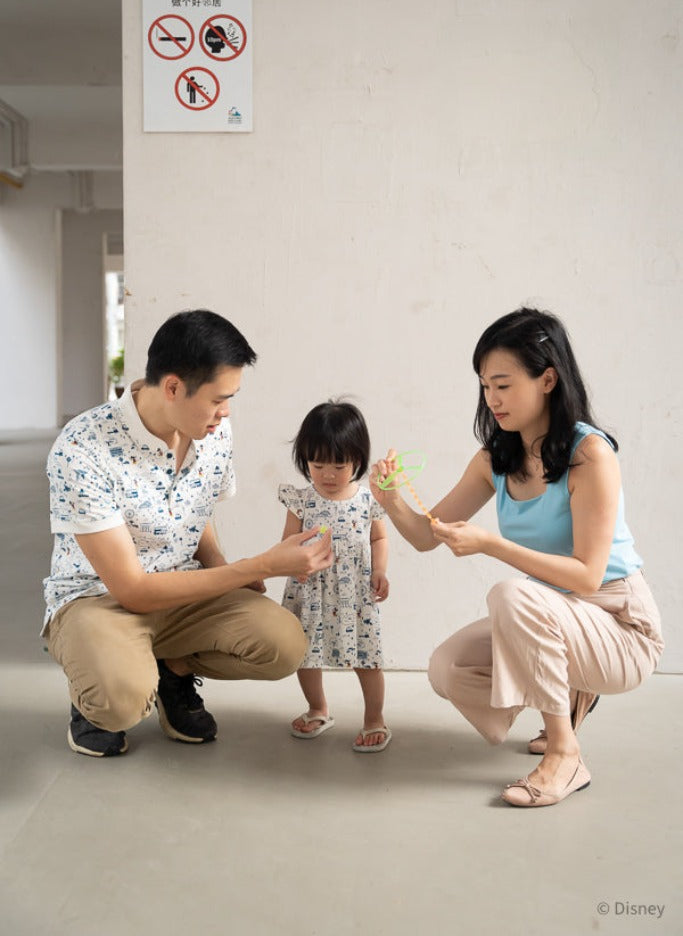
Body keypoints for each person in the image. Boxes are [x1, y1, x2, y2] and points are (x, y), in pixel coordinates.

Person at [371, 307, 663, 805]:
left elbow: (589, 576)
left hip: (619, 622)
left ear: (547, 379)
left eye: (503, 384)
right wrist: (392, 499)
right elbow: (428, 535)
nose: (492, 399)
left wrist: (493, 544)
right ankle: (569, 693)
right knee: (448, 668)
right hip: (551, 616)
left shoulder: (590, 455)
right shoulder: (495, 459)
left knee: (511, 594)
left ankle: (565, 755)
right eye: (485, 386)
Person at [43, 309, 333, 757]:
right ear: (173, 387)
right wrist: (258, 566)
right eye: (219, 398)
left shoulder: (214, 431)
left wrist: (221, 567)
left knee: (284, 644)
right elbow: (134, 591)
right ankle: (95, 696)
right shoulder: (83, 447)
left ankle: (170, 671)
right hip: (98, 598)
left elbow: (196, 511)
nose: (226, 411)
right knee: (119, 705)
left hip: (183, 592)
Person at [279, 400, 391, 751]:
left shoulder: (368, 500)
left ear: (357, 460)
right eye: (317, 464)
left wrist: (380, 571)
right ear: (305, 461)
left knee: (367, 656)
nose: (327, 474)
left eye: (339, 465)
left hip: (354, 592)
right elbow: (287, 543)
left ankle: (375, 718)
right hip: (309, 588)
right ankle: (317, 708)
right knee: (305, 653)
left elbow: (378, 536)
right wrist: (290, 564)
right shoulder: (301, 500)